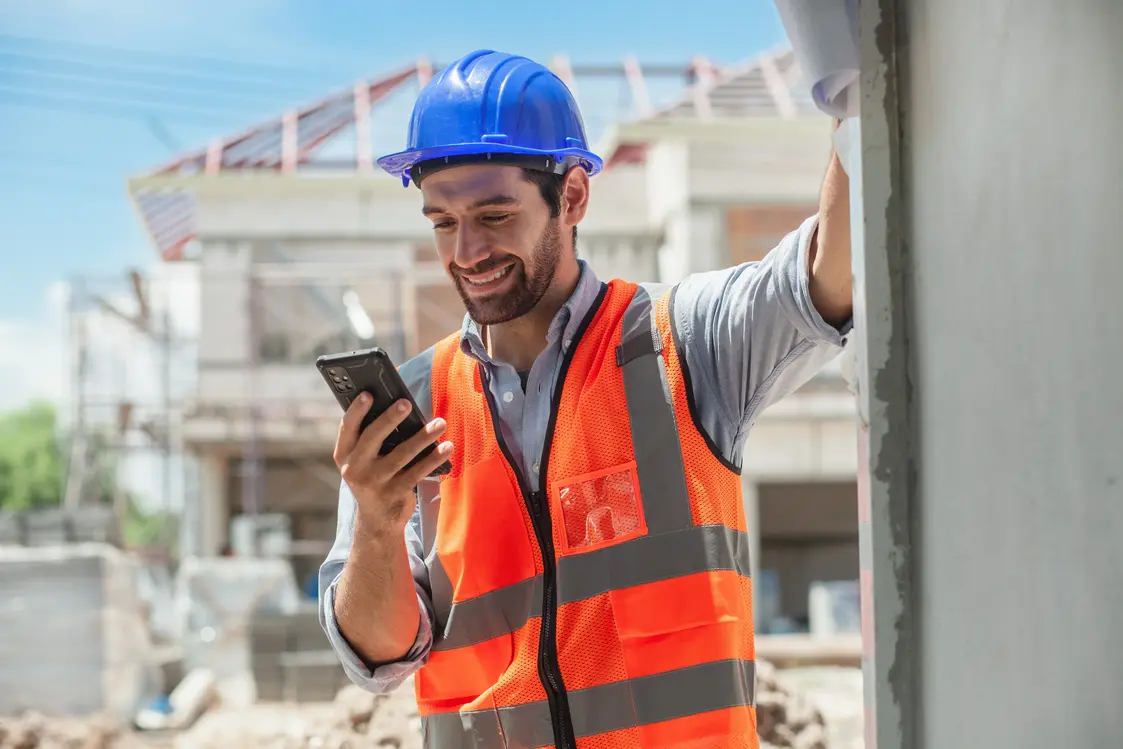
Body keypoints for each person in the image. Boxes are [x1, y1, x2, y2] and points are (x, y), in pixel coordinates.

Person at [318, 49, 852, 749]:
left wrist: (854, 94)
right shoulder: (415, 406)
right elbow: (381, 657)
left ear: (571, 195)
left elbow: (823, 275)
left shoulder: (681, 345)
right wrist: (377, 521)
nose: (466, 250)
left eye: (493, 213)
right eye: (442, 221)